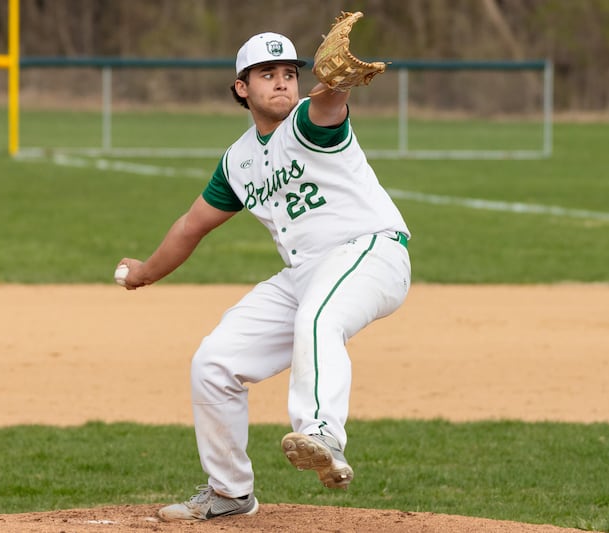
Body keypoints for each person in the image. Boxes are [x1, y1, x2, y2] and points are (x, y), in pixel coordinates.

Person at [116, 30, 411, 522]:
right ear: (241, 88)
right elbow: (192, 225)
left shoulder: (308, 122)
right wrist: (144, 272)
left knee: (318, 319)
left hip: (371, 251)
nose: (282, 83)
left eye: (290, 74)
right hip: (306, 272)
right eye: (267, 75)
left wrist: (335, 82)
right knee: (214, 363)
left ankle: (321, 432)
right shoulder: (238, 162)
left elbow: (329, 104)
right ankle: (230, 493)